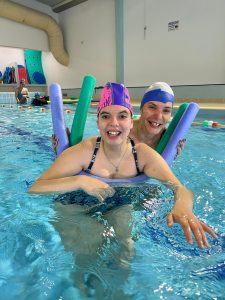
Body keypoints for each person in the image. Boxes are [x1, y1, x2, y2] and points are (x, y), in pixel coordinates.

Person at [29, 82, 216, 249]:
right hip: (76, 202)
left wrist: (182, 206)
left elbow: (180, 188)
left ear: (130, 121)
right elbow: (36, 187)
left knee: (125, 249)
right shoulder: (85, 151)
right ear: (98, 121)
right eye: (105, 116)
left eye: (122, 116)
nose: (114, 123)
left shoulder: (142, 154)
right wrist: (80, 181)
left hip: (121, 202)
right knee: (88, 244)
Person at [130, 82, 185, 154]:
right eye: (152, 107)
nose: (158, 116)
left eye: (166, 110)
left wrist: (170, 156)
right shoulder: (124, 131)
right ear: (141, 109)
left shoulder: (168, 141)